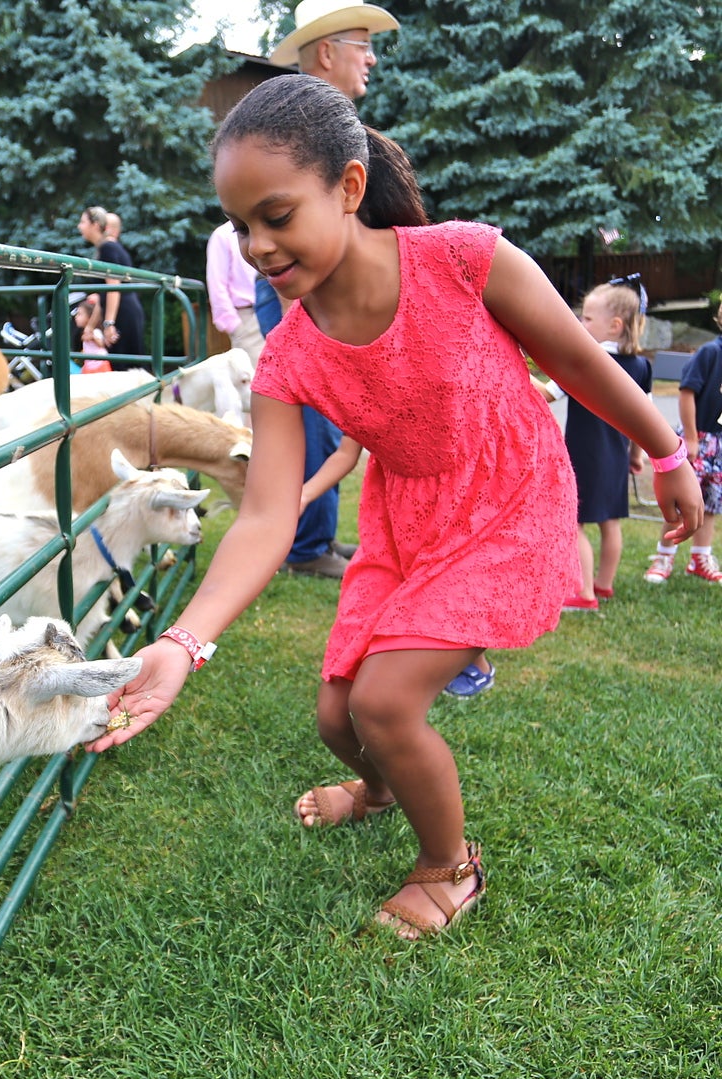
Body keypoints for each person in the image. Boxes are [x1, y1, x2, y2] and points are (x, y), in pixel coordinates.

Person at [88, 75, 701, 940]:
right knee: (338, 715)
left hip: (509, 496)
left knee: (383, 703)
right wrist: (185, 646)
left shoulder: (464, 257)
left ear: (346, 186)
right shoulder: (288, 359)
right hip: (407, 519)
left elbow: (578, 363)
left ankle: (449, 865)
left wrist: (667, 452)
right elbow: (266, 516)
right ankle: (378, 790)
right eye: (239, 227)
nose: (258, 246)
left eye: (275, 214)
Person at [269, 0, 401, 579]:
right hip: (309, 303)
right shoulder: (294, 134)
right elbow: (279, 245)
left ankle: (317, 536)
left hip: (330, 305)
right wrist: (299, 324)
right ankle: (305, 546)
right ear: (327, 52)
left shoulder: (337, 130)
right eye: (362, 44)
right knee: (317, 415)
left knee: (334, 421)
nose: (372, 58)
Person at [545, 280, 650, 610]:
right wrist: (636, 455)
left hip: (584, 455)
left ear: (615, 325)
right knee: (610, 523)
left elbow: (547, 393)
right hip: (617, 457)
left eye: (588, 319)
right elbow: (643, 418)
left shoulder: (584, 361)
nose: (580, 324)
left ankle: (584, 593)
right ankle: (604, 585)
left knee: (573, 522)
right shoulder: (641, 366)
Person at [642, 298, 722, 585]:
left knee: (710, 504)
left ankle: (700, 557)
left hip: (719, 442)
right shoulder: (710, 353)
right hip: (697, 438)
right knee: (681, 501)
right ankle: (664, 556)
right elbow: (687, 393)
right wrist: (690, 436)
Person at [77, 205, 146, 361]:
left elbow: (113, 287)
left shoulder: (108, 248)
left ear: (95, 225)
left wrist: (109, 324)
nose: (79, 226)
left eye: (83, 222)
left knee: (127, 367)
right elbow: (104, 296)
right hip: (121, 311)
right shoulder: (106, 248)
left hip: (123, 312)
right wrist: (91, 326)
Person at [206, 221, 267, 367]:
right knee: (254, 379)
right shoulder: (222, 235)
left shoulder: (265, 227)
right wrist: (235, 326)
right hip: (247, 319)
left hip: (275, 309)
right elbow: (216, 284)